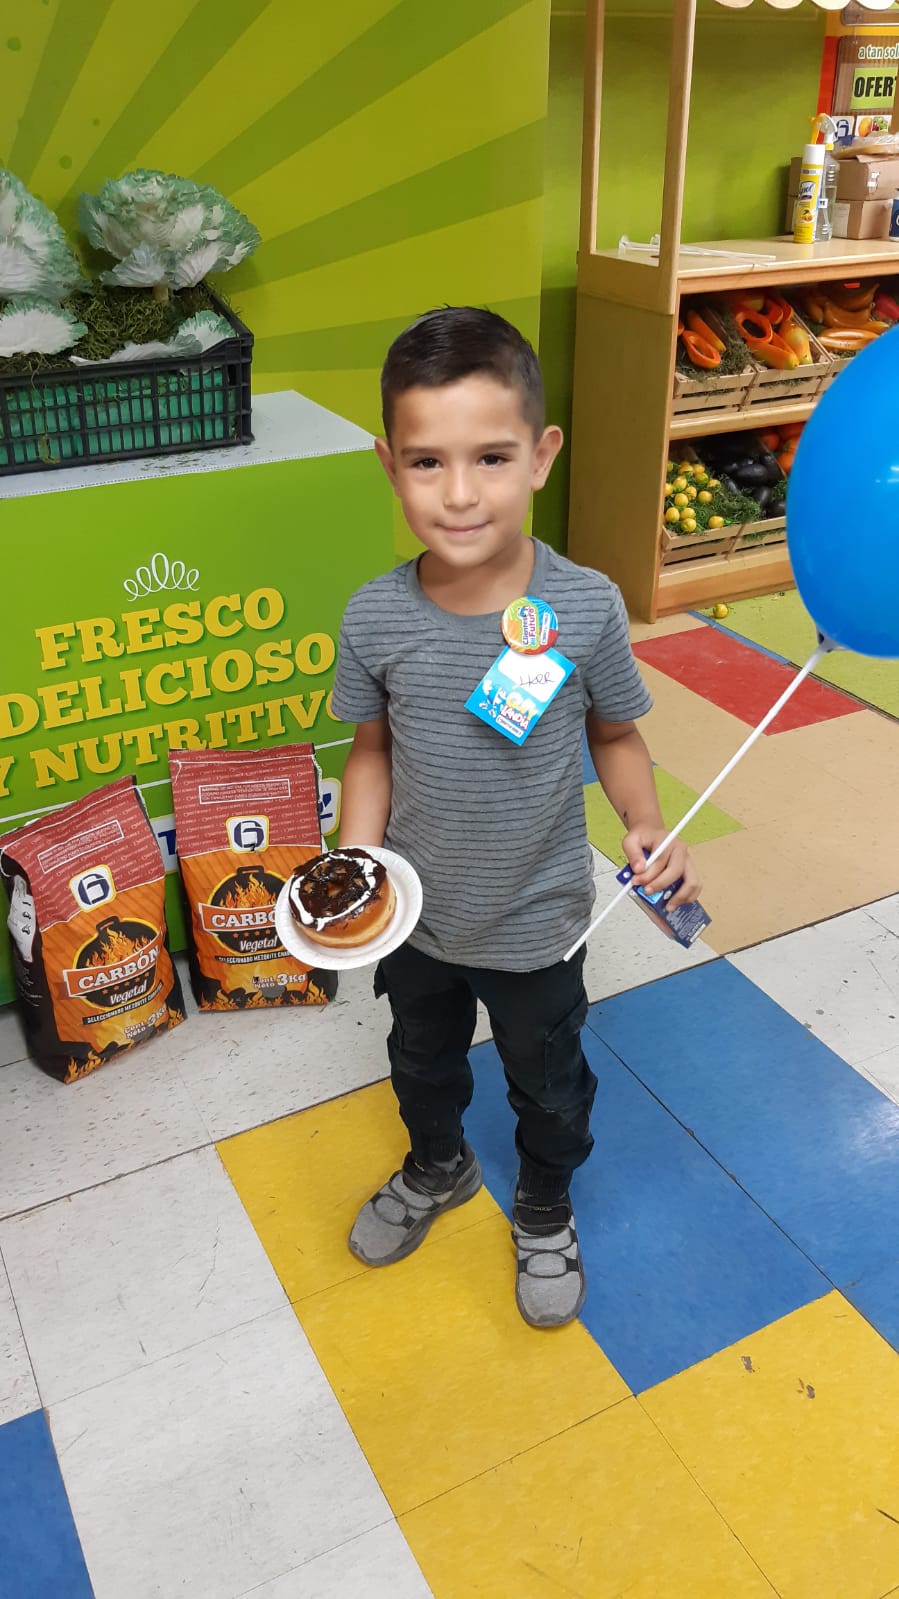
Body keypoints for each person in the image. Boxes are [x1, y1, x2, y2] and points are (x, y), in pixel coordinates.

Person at [330, 306, 700, 1329]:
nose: (458, 494)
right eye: (426, 462)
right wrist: (356, 864)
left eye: (490, 457)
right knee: (419, 1060)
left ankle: (543, 1200)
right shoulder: (373, 614)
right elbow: (370, 752)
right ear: (389, 466)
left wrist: (643, 820)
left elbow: (616, 736)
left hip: (538, 923)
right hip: (416, 919)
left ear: (540, 456)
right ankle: (438, 1162)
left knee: (549, 1085)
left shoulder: (585, 606)